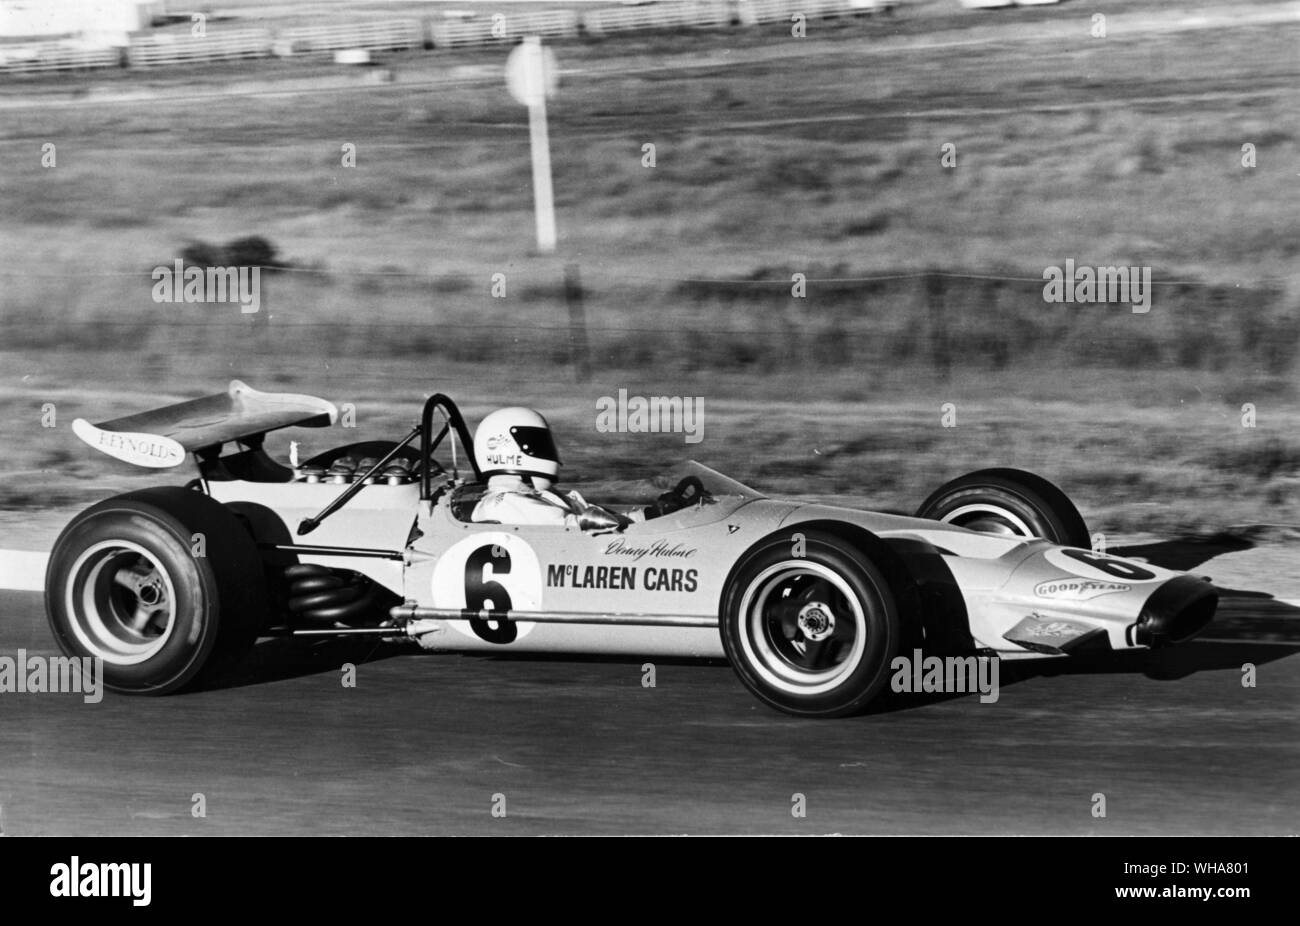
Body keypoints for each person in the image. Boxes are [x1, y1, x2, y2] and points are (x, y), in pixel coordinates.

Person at [469, 407, 696, 529]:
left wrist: (654, 514)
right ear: (505, 449)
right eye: (538, 444)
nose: (547, 451)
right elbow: (578, 530)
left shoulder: (540, 497)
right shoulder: (507, 503)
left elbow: (608, 520)